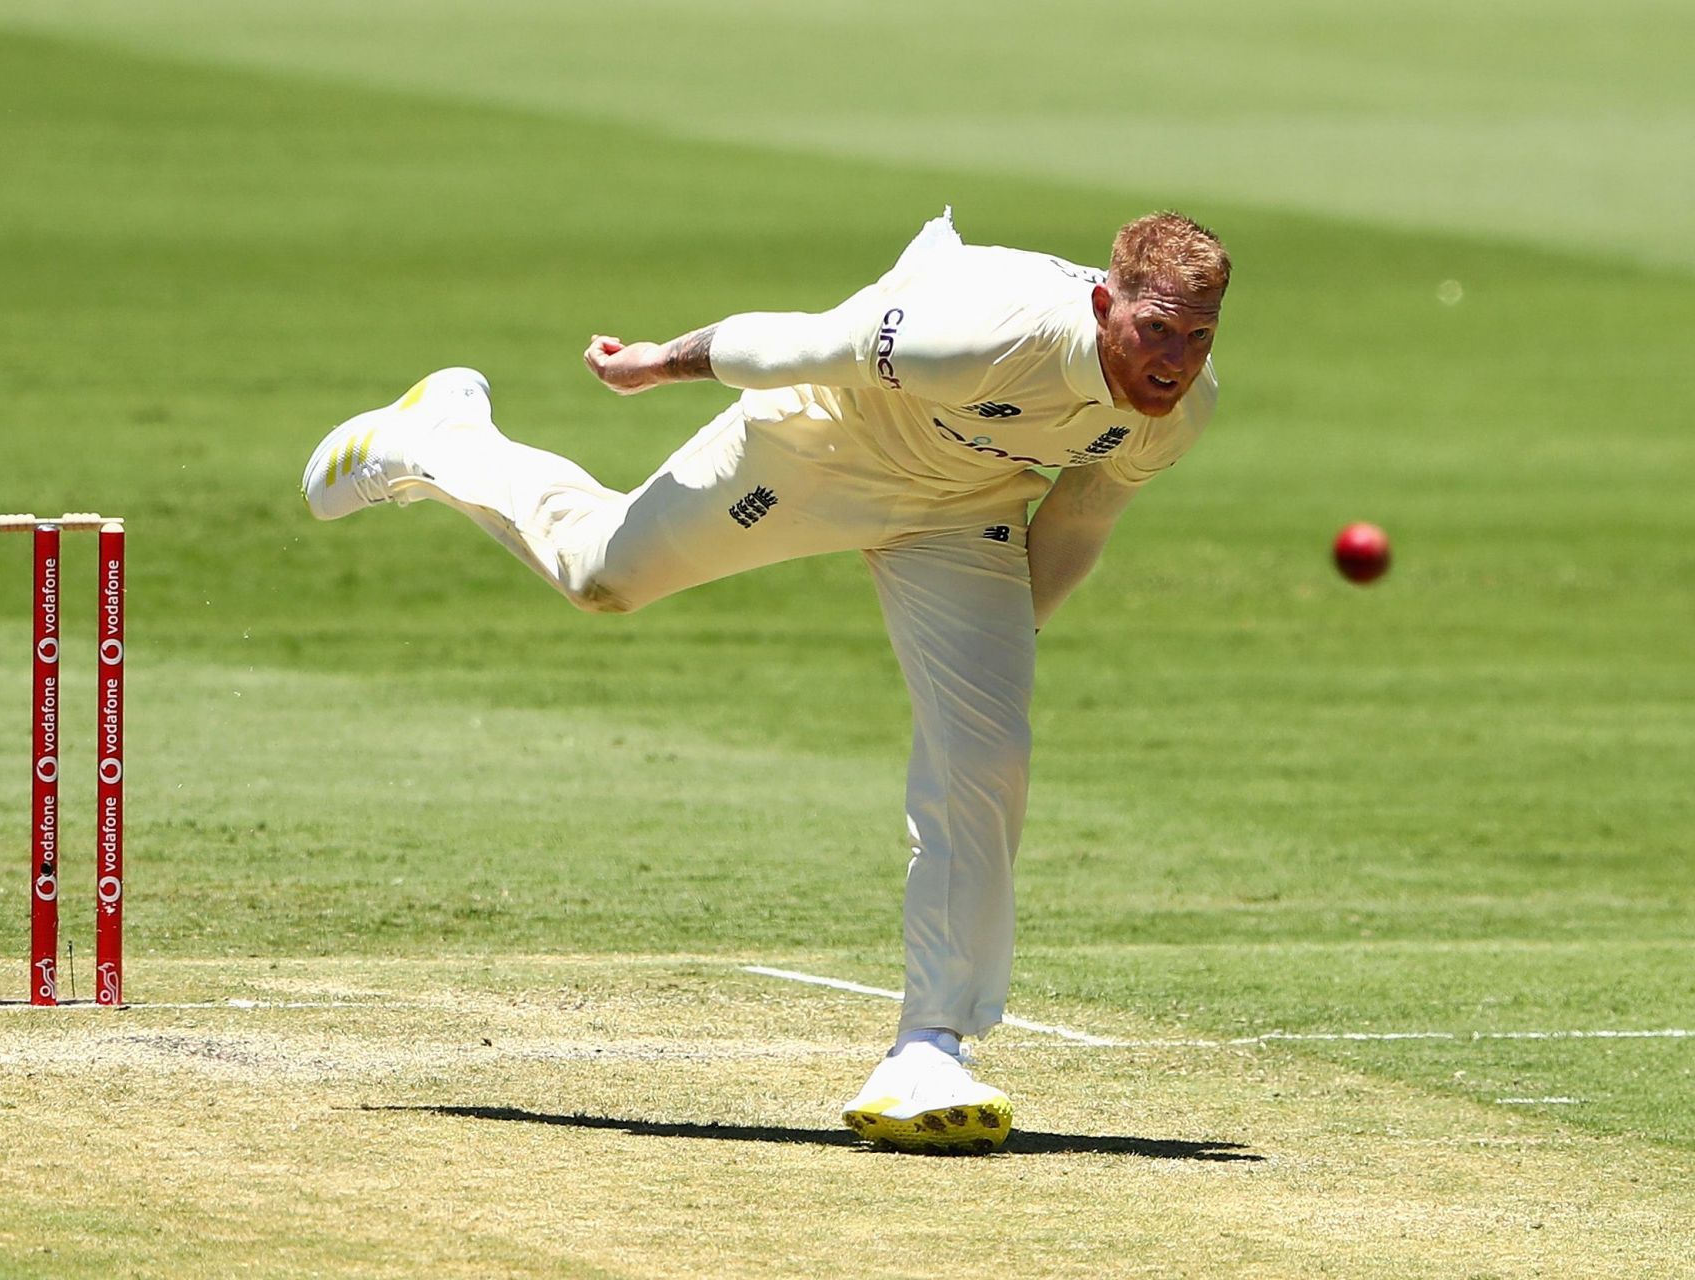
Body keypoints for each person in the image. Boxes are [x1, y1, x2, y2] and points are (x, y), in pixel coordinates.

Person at [300, 208, 1228, 1154]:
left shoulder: (1181, 411)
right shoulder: (986, 331)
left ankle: (929, 1049)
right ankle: (443, 436)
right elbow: (805, 343)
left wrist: (995, 652)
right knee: (599, 575)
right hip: (815, 452)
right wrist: (657, 363)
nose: (1176, 359)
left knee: (986, 749)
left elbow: (1081, 520)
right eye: (1157, 328)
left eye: (1199, 336)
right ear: (1105, 302)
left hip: (959, 512)